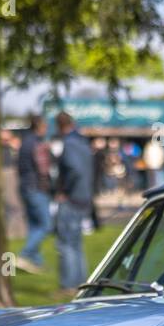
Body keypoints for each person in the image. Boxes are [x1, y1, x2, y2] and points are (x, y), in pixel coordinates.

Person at [52, 111, 93, 291]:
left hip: (72, 197)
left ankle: (68, 284)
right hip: (84, 196)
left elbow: (74, 169)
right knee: (76, 243)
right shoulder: (83, 143)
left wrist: (64, 191)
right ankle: (81, 282)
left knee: (66, 243)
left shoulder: (69, 144)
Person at [14, 114, 51, 273]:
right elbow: (43, 168)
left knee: (34, 225)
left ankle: (36, 262)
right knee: (46, 225)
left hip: (24, 187)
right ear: (40, 126)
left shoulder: (24, 141)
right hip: (36, 187)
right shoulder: (37, 143)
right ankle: (24, 254)